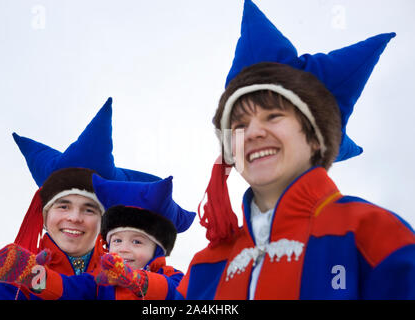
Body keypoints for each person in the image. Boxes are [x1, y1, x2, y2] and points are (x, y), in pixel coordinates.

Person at [178, 0, 415, 299]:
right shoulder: (204, 266)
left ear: (317, 139)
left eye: (273, 116)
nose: (253, 132)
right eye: (239, 126)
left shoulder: (373, 234)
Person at [0, 98, 161, 300]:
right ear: (44, 216)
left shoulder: (139, 275)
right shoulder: (9, 281)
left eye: (89, 209)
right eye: (63, 206)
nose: (74, 217)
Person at [0, 175, 195, 300]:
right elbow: (65, 289)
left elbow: (178, 292)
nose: (123, 248)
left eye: (137, 241)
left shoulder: (173, 276)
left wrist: (136, 280)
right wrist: (32, 275)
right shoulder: (99, 281)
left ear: (157, 249)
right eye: (117, 240)